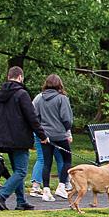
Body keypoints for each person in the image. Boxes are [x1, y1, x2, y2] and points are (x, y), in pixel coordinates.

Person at [0, 66, 40, 210]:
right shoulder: (22, 94)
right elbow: (31, 117)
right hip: (19, 137)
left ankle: (21, 201)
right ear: (20, 77)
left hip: (5, 138)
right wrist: (42, 135)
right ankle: (2, 194)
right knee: (21, 171)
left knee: (17, 170)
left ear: (8, 76)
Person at [33, 74, 74, 202]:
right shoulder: (62, 98)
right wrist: (67, 129)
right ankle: (62, 185)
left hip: (45, 135)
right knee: (67, 159)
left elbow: (34, 116)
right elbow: (66, 118)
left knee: (47, 162)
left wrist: (40, 131)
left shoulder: (39, 98)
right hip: (60, 134)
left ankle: (46, 190)